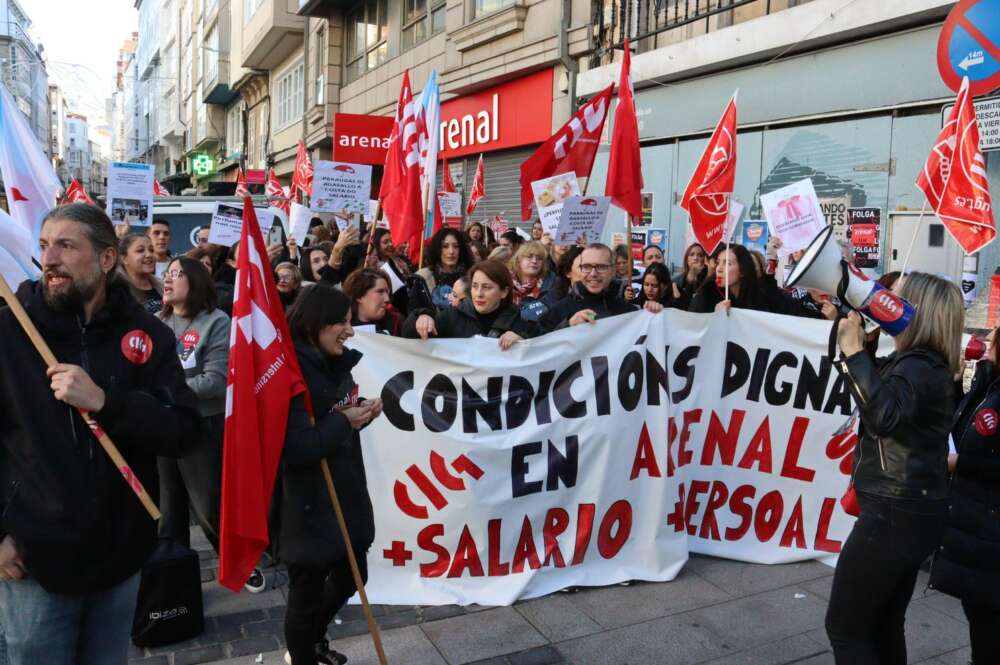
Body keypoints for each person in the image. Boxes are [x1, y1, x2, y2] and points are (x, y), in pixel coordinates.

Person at [0, 203, 201, 665]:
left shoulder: (148, 333)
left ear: (106, 259)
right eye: (46, 245)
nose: (49, 259)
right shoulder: (11, 330)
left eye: (66, 246)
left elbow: (185, 431)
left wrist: (109, 404)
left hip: (121, 556)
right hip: (35, 561)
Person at [825, 272, 963, 665]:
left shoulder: (918, 367)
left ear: (918, 313)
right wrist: (859, 346)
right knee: (883, 622)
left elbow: (884, 416)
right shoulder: (922, 364)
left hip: (892, 513)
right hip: (911, 510)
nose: (885, 303)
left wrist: (853, 353)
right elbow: (886, 401)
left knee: (846, 627)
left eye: (897, 300)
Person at [280, 284, 384, 665]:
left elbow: (334, 418)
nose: (350, 330)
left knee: (352, 575)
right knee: (305, 596)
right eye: (341, 322)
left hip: (344, 488)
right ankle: (302, 654)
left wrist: (359, 414)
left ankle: (313, 637)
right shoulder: (289, 372)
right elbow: (296, 448)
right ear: (315, 323)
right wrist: (344, 421)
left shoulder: (333, 360)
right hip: (306, 502)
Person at [154, 257, 263, 588]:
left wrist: (165, 392)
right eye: (167, 273)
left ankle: (239, 562)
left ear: (196, 282)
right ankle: (174, 574)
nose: (169, 279)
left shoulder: (216, 322)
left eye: (178, 274)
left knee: (209, 505)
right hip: (163, 425)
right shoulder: (158, 322)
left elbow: (214, 382)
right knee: (168, 507)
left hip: (202, 425)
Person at [929, 325, 1000, 663]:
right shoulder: (991, 383)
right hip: (978, 529)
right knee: (981, 620)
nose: (986, 341)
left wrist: (961, 463)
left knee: (988, 627)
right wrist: (958, 383)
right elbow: (965, 425)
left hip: (990, 532)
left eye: (994, 338)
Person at [404, 260, 538, 349]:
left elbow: (541, 353)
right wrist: (421, 317)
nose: (479, 294)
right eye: (475, 286)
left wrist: (523, 341)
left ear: (504, 292)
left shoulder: (520, 320)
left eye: (486, 287)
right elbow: (408, 338)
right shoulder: (452, 316)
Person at [540, 244, 661, 332]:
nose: (593, 273)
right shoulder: (559, 310)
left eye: (601, 267)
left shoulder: (627, 311)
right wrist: (567, 326)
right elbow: (538, 348)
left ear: (613, 270)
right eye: (587, 266)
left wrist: (655, 317)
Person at [688, 244, 813, 316]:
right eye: (718, 262)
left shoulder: (757, 296)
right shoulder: (705, 295)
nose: (719, 269)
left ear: (742, 271)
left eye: (728, 263)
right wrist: (713, 318)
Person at [412, 228, 473, 310]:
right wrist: (423, 314)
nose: (451, 251)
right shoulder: (423, 277)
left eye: (456, 246)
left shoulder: (472, 276)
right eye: (445, 246)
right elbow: (414, 308)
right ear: (437, 249)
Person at [343, 267, 401, 336]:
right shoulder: (341, 326)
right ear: (359, 296)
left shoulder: (395, 322)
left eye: (387, 292)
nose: (387, 299)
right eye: (380, 292)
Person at [509, 241, 555, 321]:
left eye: (539, 258)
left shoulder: (552, 282)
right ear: (519, 260)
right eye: (529, 257)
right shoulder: (504, 280)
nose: (534, 261)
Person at [119, 232, 163, 314]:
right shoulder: (116, 292)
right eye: (140, 250)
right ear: (124, 259)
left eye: (151, 250)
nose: (149, 254)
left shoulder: (164, 287)